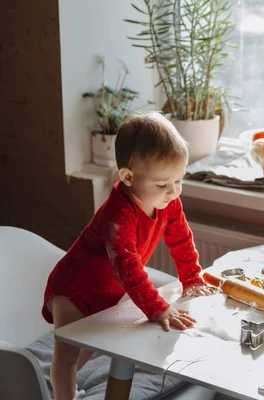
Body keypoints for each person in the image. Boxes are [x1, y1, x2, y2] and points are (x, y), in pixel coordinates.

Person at [42, 111, 215, 400]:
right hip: (73, 290)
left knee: (87, 347)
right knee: (69, 353)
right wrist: (158, 308)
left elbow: (182, 240)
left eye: (179, 180)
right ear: (129, 177)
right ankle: (61, 393)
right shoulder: (117, 215)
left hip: (105, 293)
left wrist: (192, 279)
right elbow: (128, 268)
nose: (173, 191)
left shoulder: (168, 203)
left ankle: (64, 386)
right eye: (162, 184)